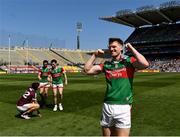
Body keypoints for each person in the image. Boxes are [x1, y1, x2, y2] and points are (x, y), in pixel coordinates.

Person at [84, 38, 149, 136]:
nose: (111, 49)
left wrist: (131, 48)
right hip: (108, 106)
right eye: (109, 47)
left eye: (114, 46)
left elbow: (145, 64)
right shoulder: (106, 64)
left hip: (123, 106)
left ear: (121, 48)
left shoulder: (129, 61)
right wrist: (94, 55)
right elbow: (87, 70)